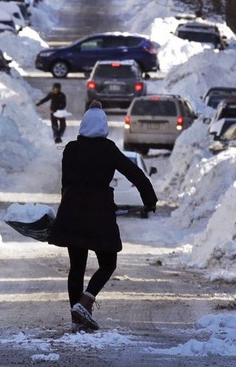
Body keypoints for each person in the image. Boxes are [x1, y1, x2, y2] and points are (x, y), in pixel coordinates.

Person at [47, 102, 158, 332]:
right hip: (99, 214)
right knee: (108, 262)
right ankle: (85, 301)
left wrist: (65, 208)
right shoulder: (108, 150)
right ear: (104, 127)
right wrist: (149, 199)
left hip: (73, 211)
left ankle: (76, 317)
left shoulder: (70, 149)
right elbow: (135, 173)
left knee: (76, 266)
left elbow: (65, 183)